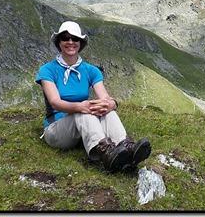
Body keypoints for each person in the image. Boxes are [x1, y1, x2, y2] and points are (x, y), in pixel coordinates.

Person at [35, 20, 151, 173]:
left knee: (105, 109)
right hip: (56, 130)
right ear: (59, 42)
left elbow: (105, 97)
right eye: (65, 38)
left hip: (81, 128)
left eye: (75, 38)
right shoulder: (48, 70)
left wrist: (111, 104)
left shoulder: (91, 70)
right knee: (83, 110)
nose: (70, 42)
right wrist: (80, 106)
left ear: (80, 43)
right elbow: (55, 102)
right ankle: (107, 154)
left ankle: (126, 147)